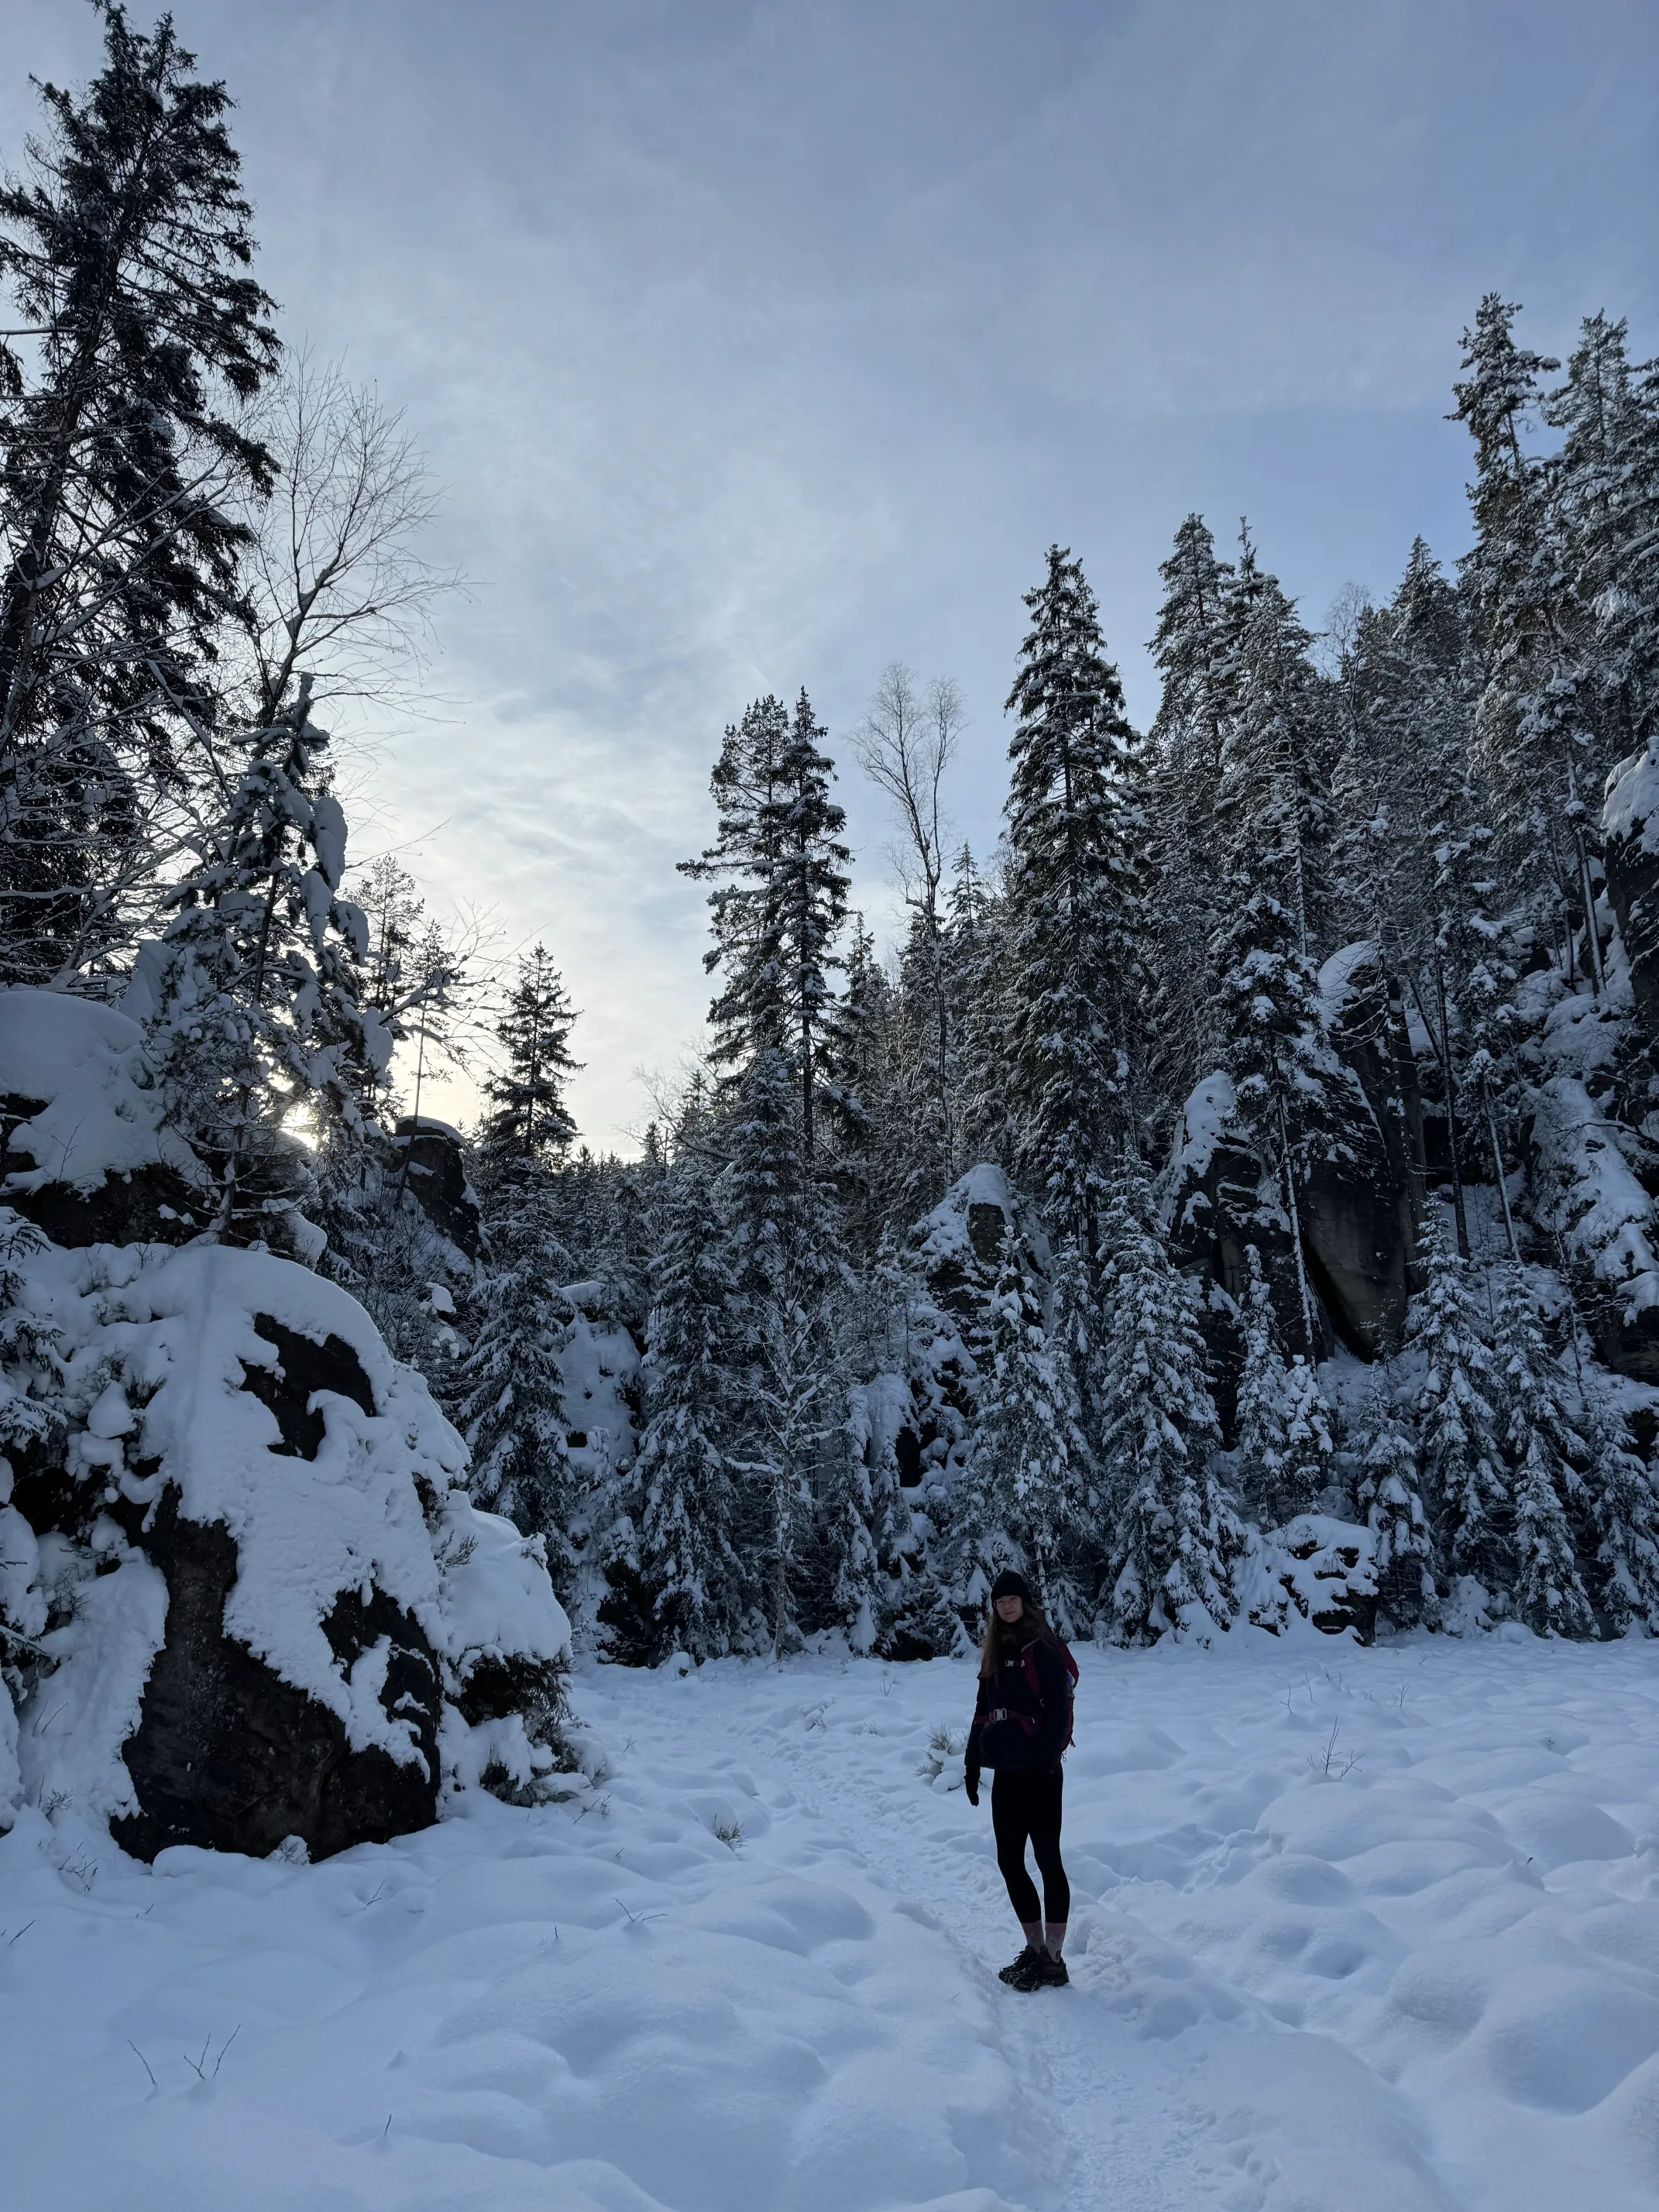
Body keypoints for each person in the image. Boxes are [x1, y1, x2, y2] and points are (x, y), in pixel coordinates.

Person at [963, 1568, 1072, 1991]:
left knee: (1048, 1861)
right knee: (1010, 1862)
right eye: (1000, 1601)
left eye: (1013, 1599)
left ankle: (1054, 1958)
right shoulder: (993, 1653)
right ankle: (1035, 1949)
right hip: (1006, 1775)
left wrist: (1047, 1759)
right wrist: (973, 1765)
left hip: (1042, 1774)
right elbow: (980, 1712)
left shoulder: (1042, 1648)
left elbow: (1059, 1709)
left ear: (1025, 1602)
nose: (1007, 1606)